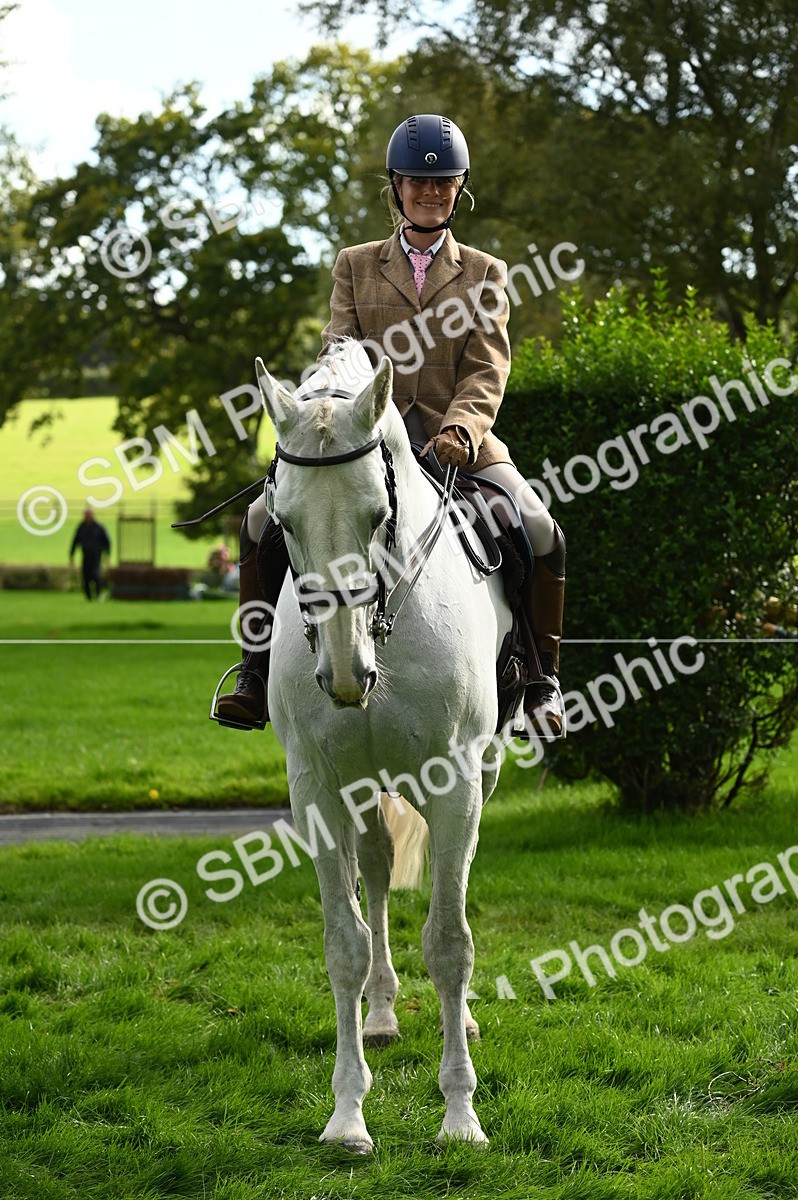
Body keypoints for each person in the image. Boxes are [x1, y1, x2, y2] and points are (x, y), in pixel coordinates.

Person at [215, 113, 566, 736]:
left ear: (459, 190)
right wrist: (321, 415)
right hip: (362, 439)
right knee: (259, 523)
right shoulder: (355, 264)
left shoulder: (486, 272)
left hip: (457, 439)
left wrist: (463, 428)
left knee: (538, 528)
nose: (429, 193)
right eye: (416, 183)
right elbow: (338, 349)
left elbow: (487, 368)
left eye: (443, 183)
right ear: (396, 190)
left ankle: (541, 682)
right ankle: (252, 670)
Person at [69, 507, 112, 600]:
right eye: (86, 515)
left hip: (96, 555)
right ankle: (88, 596)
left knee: (95, 574)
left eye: (89, 515)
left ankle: (98, 594)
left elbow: (106, 542)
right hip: (85, 555)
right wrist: (72, 554)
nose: (87, 517)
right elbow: (75, 541)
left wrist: (107, 554)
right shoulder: (81, 527)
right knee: (86, 575)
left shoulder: (99, 527)